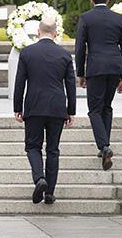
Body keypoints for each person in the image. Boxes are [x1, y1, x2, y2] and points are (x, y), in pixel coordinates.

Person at [14, 16, 76, 205]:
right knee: (53, 149)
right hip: (57, 107)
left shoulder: (27, 53)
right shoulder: (64, 55)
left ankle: (39, 178)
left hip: (34, 106)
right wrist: (71, 110)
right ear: (56, 33)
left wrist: (17, 107)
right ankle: (49, 193)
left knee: (33, 146)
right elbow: (70, 85)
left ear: (38, 32)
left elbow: (19, 83)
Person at [75, 0, 122, 171]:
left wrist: (80, 73)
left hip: (96, 68)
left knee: (94, 110)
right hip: (115, 67)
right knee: (106, 106)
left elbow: (80, 48)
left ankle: (104, 146)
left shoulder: (86, 18)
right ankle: (104, 145)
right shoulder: (118, 18)